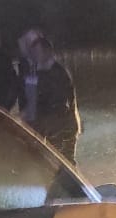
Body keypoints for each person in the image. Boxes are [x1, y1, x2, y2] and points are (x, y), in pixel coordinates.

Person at [15, 29, 81, 161]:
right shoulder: (33, 73)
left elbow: (60, 104)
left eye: (39, 52)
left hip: (62, 127)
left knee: (65, 162)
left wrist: (30, 114)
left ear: (48, 52)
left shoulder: (59, 73)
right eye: (34, 53)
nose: (36, 55)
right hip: (45, 128)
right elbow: (29, 100)